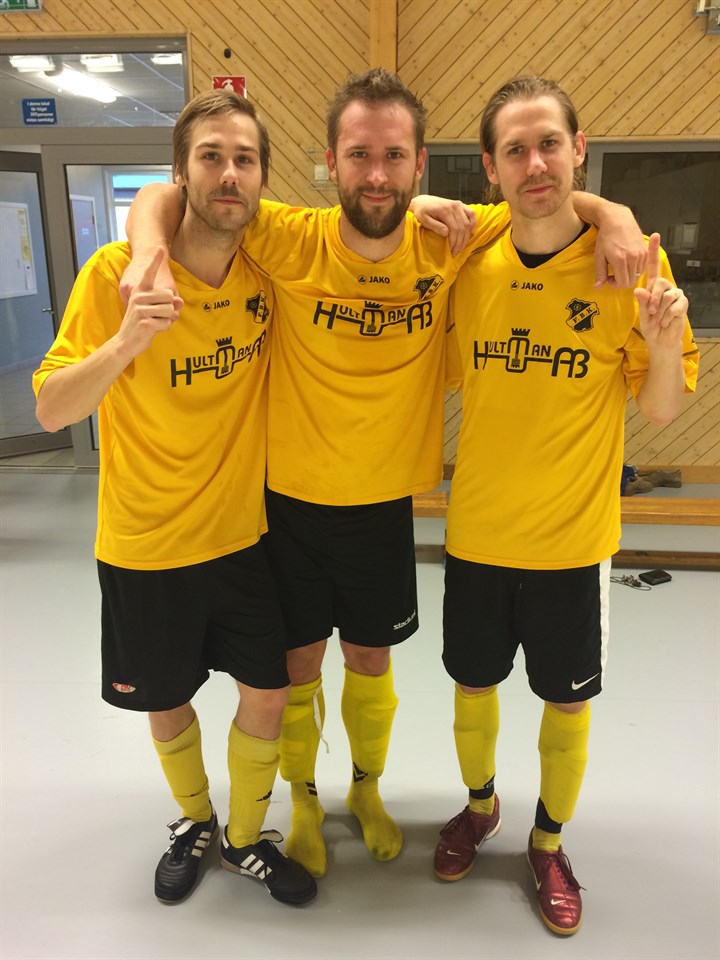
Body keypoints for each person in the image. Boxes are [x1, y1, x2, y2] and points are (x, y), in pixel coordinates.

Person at [123, 68, 649, 880]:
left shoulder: (450, 239)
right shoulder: (289, 236)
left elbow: (545, 192)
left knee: (371, 662)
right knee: (298, 668)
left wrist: (615, 215)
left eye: (394, 156)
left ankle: (365, 791)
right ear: (330, 160)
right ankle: (304, 800)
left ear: (420, 162)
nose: (376, 173)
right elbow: (173, 194)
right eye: (360, 154)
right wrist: (145, 252)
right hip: (290, 503)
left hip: (381, 507)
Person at [32, 90, 317, 907]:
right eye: (210, 157)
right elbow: (50, 407)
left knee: (269, 692)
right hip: (145, 543)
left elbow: (371, 219)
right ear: (180, 172)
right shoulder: (115, 275)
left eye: (244, 159)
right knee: (168, 698)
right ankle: (194, 821)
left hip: (241, 537)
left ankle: (244, 838)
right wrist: (127, 341)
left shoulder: (265, 271)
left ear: (262, 178)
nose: (229, 174)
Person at [434, 76, 698, 936]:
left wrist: (663, 342)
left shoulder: (632, 266)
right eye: (515, 150)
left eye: (550, 143)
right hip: (478, 531)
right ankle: (481, 808)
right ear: (490, 167)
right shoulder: (471, 255)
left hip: (572, 542)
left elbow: (661, 408)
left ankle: (547, 842)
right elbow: (399, 216)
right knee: (472, 684)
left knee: (567, 701)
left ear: (579, 148)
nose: (536, 164)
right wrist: (604, 206)